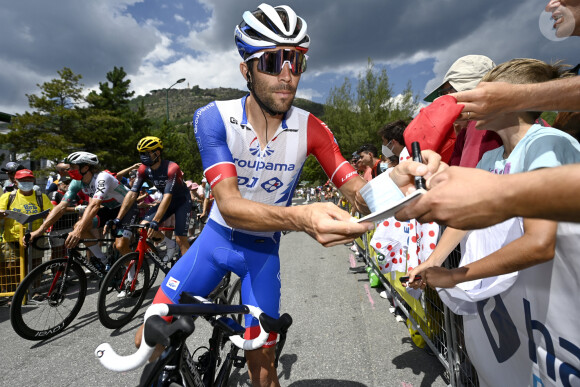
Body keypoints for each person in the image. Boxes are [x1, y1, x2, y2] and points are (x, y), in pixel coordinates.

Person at [135, 5, 442, 387]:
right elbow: (229, 207)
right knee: (145, 339)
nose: (286, 75)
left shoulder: (312, 127)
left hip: (261, 253)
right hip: (214, 240)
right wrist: (302, 217)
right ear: (246, 69)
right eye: (272, 61)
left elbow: (361, 196)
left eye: (296, 62)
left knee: (263, 366)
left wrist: (396, 180)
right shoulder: (213, 118)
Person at [28, 152, 137, 267]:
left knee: (120, 245)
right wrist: (40, 231)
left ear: (85, 167)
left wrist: (78, 231)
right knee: (78, 226)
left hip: (127, 208)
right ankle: (103, 260)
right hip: (110, 209)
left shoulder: (102, 177)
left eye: (73, 167)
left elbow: (95, 205)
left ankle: (132, 277)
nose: (69, 170)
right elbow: (61, 207)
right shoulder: (76, 182)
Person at [110, 136, 191, 259]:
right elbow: (132, 193)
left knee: (181, 239)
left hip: (181, 201)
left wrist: (156, 221)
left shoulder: (172, 168)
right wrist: (118, 218)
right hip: (166, 201)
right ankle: (170, 244)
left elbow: (168, 196)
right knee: (143, 227)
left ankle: (189, 273)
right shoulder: (143, 169)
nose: (143, 156)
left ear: (157, 152)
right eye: (141, 153)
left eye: (146, 153)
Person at [424, 55, 501, 168]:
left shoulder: (483, 126)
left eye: (449, 91)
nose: (446, 100)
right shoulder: (464, 133)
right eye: (444, 94)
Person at [0, 169, 53, 289]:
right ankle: (16, 293)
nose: (27, 182)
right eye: (23, 180)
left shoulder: (41, 197)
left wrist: (47, 215)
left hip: (36, 236)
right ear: (16, 182)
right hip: (12, 238)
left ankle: (35, 290)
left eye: (29, 180)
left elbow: (52, 212)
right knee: (13, 266)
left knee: (36, 265)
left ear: (33, 181)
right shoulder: (7, 197)